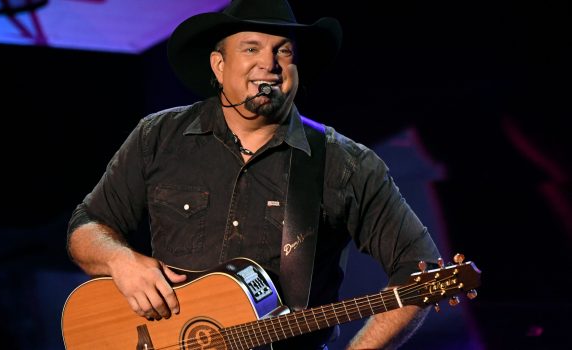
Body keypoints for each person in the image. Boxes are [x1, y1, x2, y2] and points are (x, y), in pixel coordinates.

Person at [66, 0, 441, 349]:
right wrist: (120, 260)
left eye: (283, 50)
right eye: (251, 48)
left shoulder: (346, 164)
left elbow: (420, 271)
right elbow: (88, 226)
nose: (269, 63)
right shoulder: (159, 136)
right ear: (219, 65)